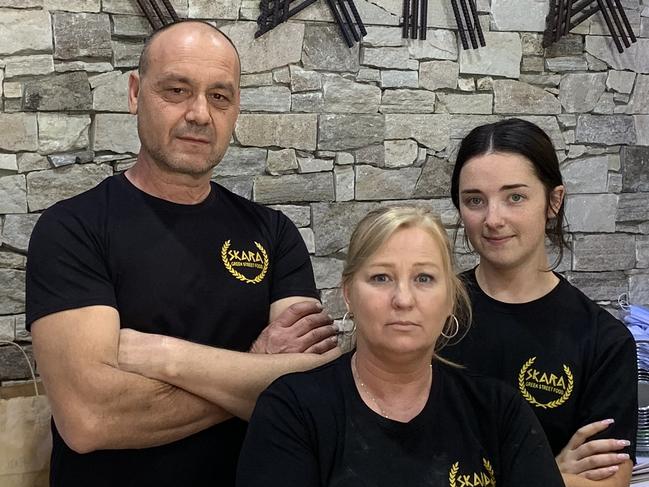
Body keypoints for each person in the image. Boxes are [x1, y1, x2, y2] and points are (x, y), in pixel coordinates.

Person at [26, 20, 339, 487]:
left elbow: (311, 386)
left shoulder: (274, 234)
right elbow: (91, 418)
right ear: (135, 94)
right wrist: (255, 364)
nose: (199, 113)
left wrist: (164, 356)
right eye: (176, 90)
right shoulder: (73, 229)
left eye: (220, 96)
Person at [234, 206, 565, 487]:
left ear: (450, 297)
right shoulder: (292, 410)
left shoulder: (497, 411)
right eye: (381, 278)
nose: (403, 299)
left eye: (424, 278)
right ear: (349, 293)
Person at [442, 118, 638, 487]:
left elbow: (609, 483)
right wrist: (547, 473)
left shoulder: (603, 342)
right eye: (474, 201)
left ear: (553, 201)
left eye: (515, 196)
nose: (493, 219)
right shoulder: (432, 313)